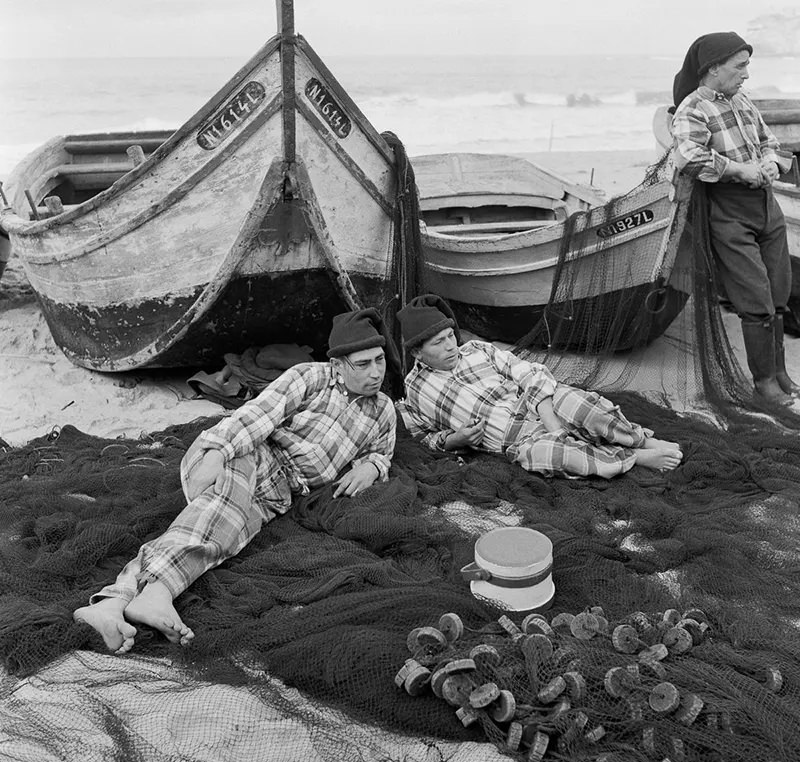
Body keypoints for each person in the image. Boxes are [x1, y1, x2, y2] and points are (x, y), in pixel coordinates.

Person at [73, 308, 397, 654]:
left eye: (379, 361)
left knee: (223, 537)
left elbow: (382, 452)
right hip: (245, 454)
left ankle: (113, 600)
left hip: (278, 494)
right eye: (363, 364)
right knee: (223, 512)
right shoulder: (310, 378)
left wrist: (373, 467)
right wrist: (217, 454)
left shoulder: (382, 410)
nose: (376, 372)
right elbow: (254, 417)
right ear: (338, 365)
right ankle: (159, 592)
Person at [395, 295, 683, 480]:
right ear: (417, 353)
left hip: (537, 406)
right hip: (516, 442)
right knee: (554, 456)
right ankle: (635, 458)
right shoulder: (414, 395)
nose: (450, 346)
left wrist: (552, 422)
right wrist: (454, 439)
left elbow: (530, 373)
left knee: (581, 404)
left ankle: (640, 439)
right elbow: (423, 438)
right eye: (438, 342)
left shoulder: (476, 350)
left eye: (450, 336)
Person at [670, 31, 799, 405]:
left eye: (747, 66)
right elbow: (688, 156)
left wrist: (771, 164)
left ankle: (781, 376)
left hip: (767, 207)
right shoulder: (693, 109)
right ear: (712, 69)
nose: (746, 74)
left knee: (778, 290)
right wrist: (739, 171)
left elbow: (769, 142)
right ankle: (764, 385)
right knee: (754, 297)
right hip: (729, 212)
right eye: (739, 66)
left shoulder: (741, 100)